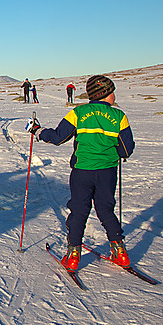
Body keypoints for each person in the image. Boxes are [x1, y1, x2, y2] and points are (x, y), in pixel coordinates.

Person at [26, 74, 135, 272]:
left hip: (82, 172)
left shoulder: (78, 113)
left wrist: (38, 131)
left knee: (79, 210)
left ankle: (73, 255)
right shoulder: (120, 116)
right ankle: (120, 251)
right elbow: (126, 150)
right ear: (104, 93)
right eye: (112, 92)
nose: (114, 95)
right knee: (106, 210)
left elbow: (59, 137)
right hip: (107, 172)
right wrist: (113, 150)